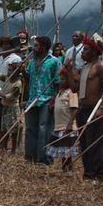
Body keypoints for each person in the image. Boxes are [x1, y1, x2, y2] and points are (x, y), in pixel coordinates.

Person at [73, 34, 103, 181]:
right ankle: (88, 172)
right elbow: (75, 88)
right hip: (83, 109)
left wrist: (102, 107)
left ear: (94, 52)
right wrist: (69, 72)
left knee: (95, 142)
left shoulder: (100, 67)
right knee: (84, 142)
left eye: (86, 49)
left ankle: (98, 173)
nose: (82, 52)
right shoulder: (84, 67)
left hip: (95, 109)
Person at [24, 36, 62, 165]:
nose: (33, 48)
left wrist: (54, 100)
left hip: (47, 99)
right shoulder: (32, 61)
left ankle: (44, 158)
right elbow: (28, 77)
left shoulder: (54, 62)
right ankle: (30, 156)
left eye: (36, 46)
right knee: (30, 128)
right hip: (32, 99)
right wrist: (20, 70)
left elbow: (58, 83)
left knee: (44, 129)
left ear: (44, 47)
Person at [46, 71, 79, 171]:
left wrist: (69, 124)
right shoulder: (59, 93)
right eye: (60, 79)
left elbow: (74, 109)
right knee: (63, 148)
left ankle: (68, 167)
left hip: (67, 126)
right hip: (58, 125)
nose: (61, 81)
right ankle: (64, 167)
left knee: (67, 149)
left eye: (64, 79)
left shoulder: (71, 93)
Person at [0, 60, 23, 154]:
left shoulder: (18, 83)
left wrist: (2, 95)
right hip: (5, 106)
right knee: (4, 129)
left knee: (13, 130)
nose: (9, 72)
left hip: (13, 108)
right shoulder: (6, 78)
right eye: (8, 70)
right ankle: (4, 148)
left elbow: (12, 96)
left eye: (11, 71)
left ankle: (13, 149)